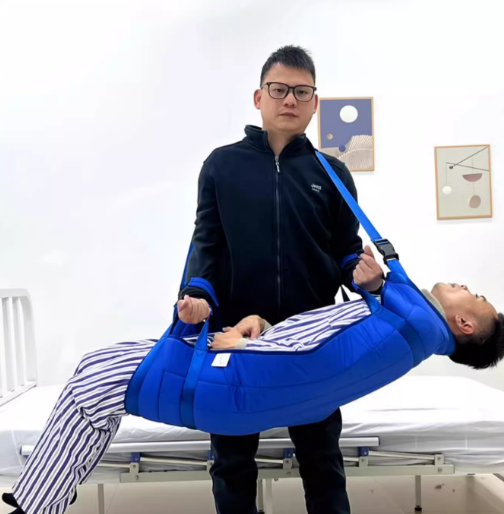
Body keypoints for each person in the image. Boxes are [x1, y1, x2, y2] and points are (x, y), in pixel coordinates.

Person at [3, 248, 504, 514]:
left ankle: (38, 500)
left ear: (464, 325)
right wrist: (258, 328)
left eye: (477, 296)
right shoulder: (401, 327)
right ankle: (44, 495)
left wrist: (240, 349)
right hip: (239, 381)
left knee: (96, 377)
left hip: (234, 385)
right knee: (96, 385)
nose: (467, 287)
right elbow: (312, 343)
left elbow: (308, 367)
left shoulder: (406, 326)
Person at [177, 45, 380, 514]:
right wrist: (197, 295)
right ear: (259, 97)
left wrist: (363, 276)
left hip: (311, 339)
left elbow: (344, 249)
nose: (290, 99)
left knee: (322, 459)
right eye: (279, 89)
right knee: (231, 461)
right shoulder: (222, 165)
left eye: (302, 92)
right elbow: (207, 243)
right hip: (235, 336)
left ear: (314, 103)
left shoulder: (333, 172)